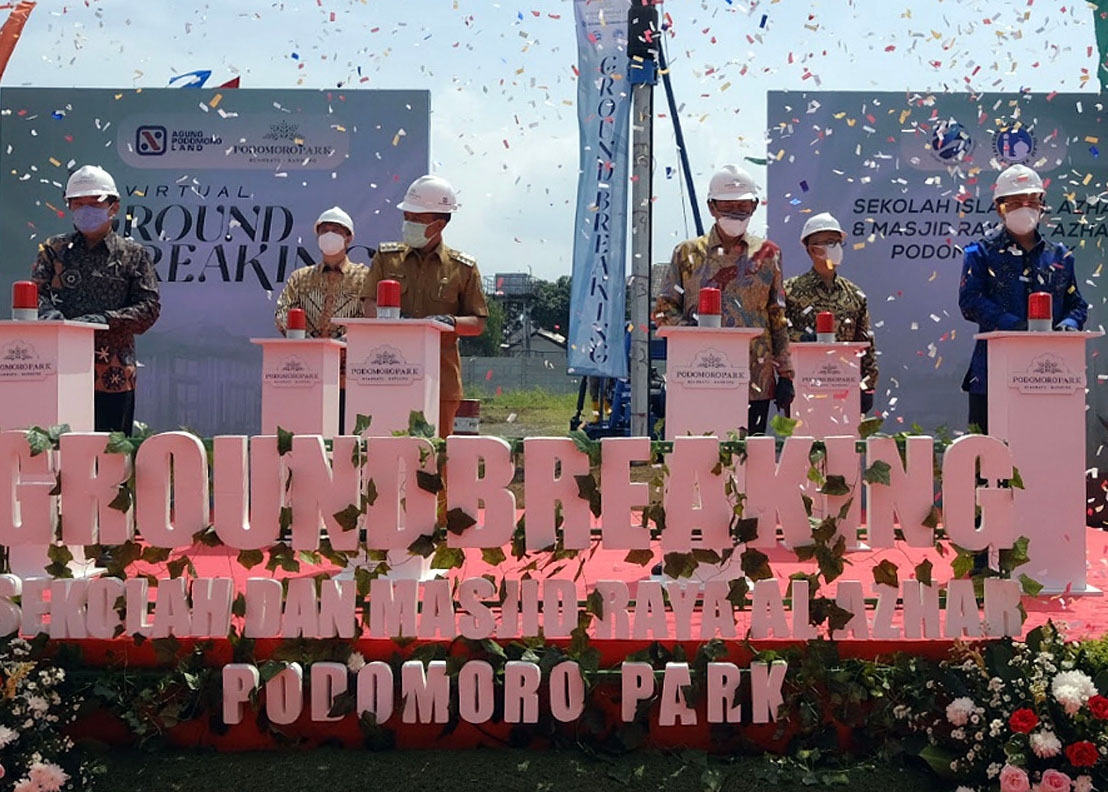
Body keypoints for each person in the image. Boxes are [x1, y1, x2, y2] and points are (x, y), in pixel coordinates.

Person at [653, 164, 793, 435]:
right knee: (702, 458)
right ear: (712, 207)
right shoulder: (687, 254)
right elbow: (663, 309)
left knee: (749, 462)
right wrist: (700, 336)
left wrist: (785, 374)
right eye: (727, 205)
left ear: (754, 206)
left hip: (755, 380)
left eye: (743, 207)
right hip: (701, 377)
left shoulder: (768, 255)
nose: (736, 213)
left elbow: (777, 317)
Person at [958, 164, 1088, 433]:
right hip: (992, 372)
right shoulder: (980, 252)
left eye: (1031, 201)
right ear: (999, 207)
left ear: (1042, 205)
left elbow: (1077, 305)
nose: (1025, 208)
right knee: (989, 456)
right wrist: (1014, 326)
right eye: (1015, 203)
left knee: (1047, 446)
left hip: (1051, 376)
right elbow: (970, 301)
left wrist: (1068, 326)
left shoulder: (1060, 256)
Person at [32, 165, 160, 435]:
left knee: (111, 457)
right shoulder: (54, 250)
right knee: (57, 452)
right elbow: (34, 296)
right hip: (58, 371)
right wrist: (48, 316)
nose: (86, 210)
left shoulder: (133, 255)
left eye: (94, 203)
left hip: (113, 375)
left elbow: (149, 309)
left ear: (113, 207)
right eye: (78, 204)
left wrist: (106, 319)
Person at [360, 175, 489, 437]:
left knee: (435, 457)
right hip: (388, 375)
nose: (408, 224)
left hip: (440, 382)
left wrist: (448, 323)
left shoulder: (462, 268)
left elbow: (478, 322)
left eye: (416, 220)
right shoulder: (387, 259)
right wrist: (393, 321)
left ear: (438, 224)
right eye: (407, 217)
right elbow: (368, 302)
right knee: (386, 451)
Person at [275, 206, 370, 433]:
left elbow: (371, 320)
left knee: (346, 438)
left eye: (336, 230)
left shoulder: (365, 277)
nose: (329, 234)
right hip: (307, 374)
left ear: (349, 238)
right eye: (324, 230)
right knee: (307, 435)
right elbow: (282, 312)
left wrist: (343, 342)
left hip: (349, 377)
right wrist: (304, 339)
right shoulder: (300, 277)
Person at [784, 211, 879, 414]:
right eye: (828, 242)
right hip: (803, 386)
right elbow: (779, 334)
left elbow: (866, 343)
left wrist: (868, 386)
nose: (835, 247)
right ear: (812, 250)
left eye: (837, 242)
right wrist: (804, 340)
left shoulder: (854, 294)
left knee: (843, 443)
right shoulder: (790, 291)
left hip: (845, 388)